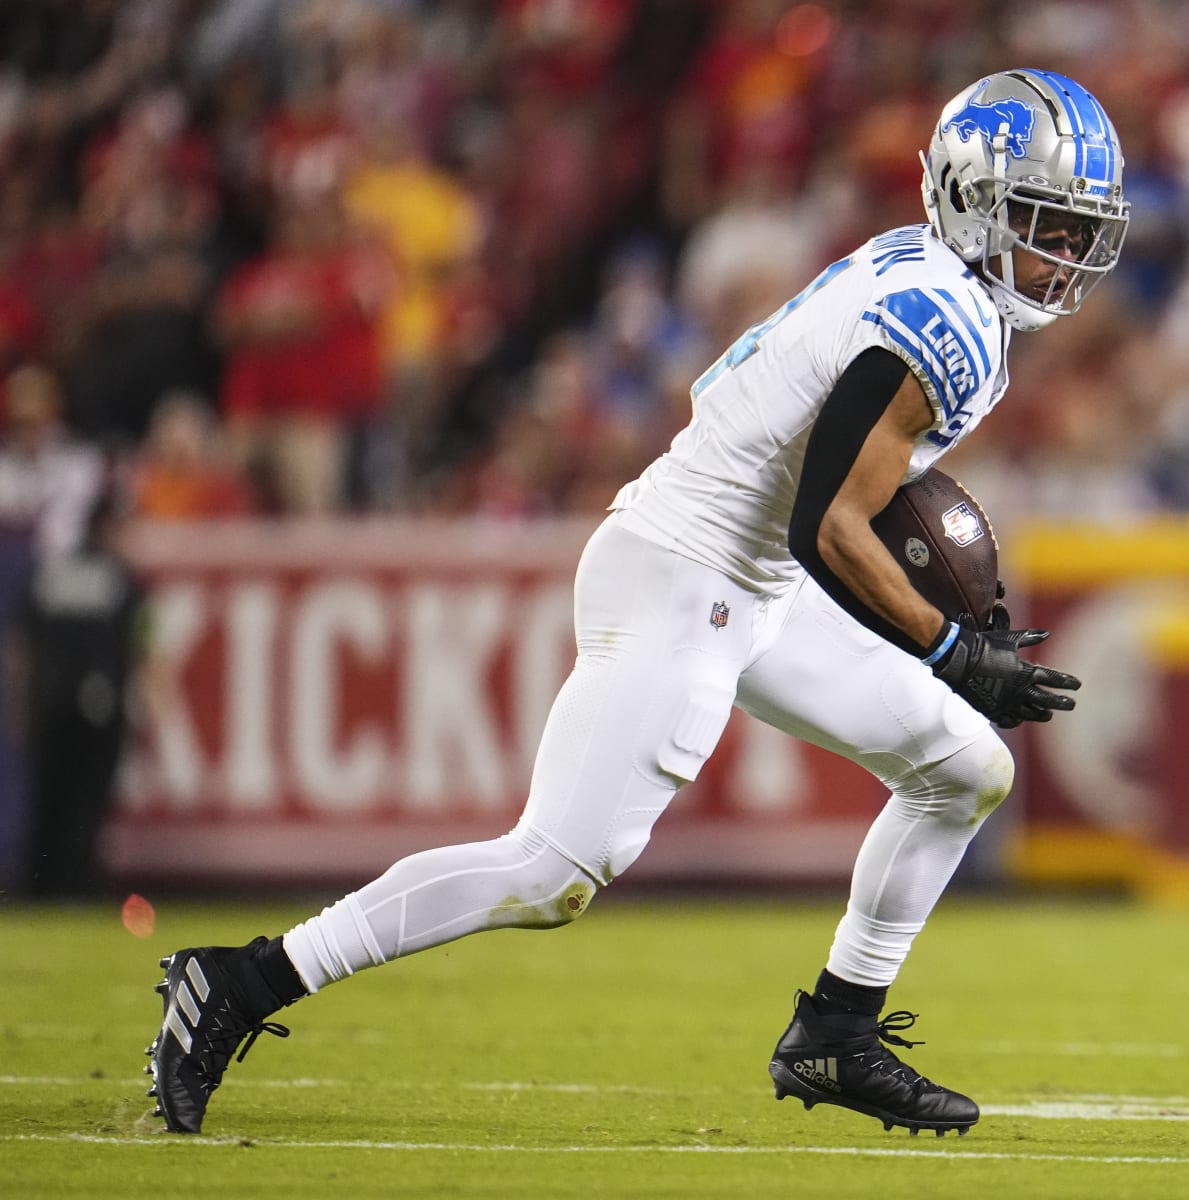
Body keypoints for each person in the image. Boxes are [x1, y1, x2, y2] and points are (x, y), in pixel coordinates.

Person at [146, 69, 1130, 1138]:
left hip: (749, 578)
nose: (1063, 257)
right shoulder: (949, 317)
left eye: (1078, 233)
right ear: (972, 201)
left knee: (964, 768)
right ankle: (239, 982)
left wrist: (940, 639)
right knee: (556, 870)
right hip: (688, 572)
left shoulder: (925, 272)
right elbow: (829, 523)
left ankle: (837, 1034)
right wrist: (945, 646)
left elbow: (827, 506)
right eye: (1043, 223)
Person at [11, 491, 149, 897]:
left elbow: (21, 646)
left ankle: (36, 889)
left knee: (47, 801)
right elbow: (141, 641)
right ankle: (75, 887)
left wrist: (21, 705)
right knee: (87, 804)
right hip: (100, 706)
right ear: (106, 527)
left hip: (48, 704)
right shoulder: (120, 577)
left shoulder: (50, 571)